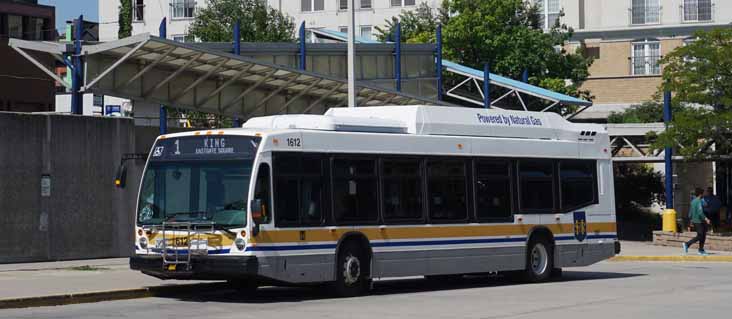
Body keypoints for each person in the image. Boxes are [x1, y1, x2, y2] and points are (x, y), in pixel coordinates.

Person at [683, 187, 711, 255]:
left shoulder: (693, 201)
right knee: (701, 235)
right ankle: (687, 244)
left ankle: (701, 250)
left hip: (696, 221)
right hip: (699, 221)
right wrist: (706, 219)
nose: (704, 194)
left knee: (703, 235)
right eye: (703, 193)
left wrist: (691, 221)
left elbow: (690, 212)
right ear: (700, 194)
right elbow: (700, 212)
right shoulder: (698, 201)